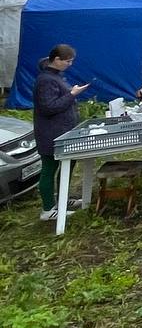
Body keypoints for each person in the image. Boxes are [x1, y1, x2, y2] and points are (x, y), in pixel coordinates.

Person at [33, 44, 89, 222]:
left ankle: (62, 199)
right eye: (67, 61)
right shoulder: (45, 80)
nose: (70, 64)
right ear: (56, 60)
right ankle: (48, 209)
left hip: (64, 131)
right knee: (49, 168)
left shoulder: (55, 77)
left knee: (68, 165)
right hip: (51, 133)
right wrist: (71, 94)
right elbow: (48, 107)